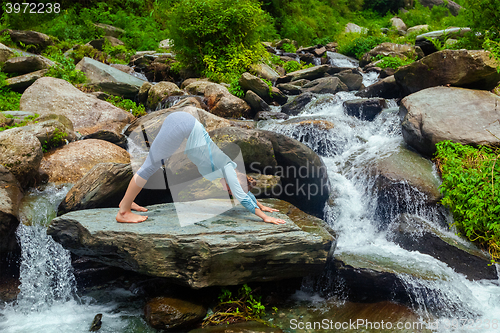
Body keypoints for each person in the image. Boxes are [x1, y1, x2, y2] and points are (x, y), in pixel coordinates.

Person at [116, 111, 286, 225]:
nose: (227, 192)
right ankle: (123, 211)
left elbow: (243, 190)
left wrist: (260, 204)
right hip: (183, 126)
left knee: (153, 163)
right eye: (229, 190)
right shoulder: (227, 168)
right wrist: (264, 217)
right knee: (149, 167)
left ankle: (128, 202)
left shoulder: (226, 172)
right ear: (231, 182)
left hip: (183, 124)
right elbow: (241, 194)